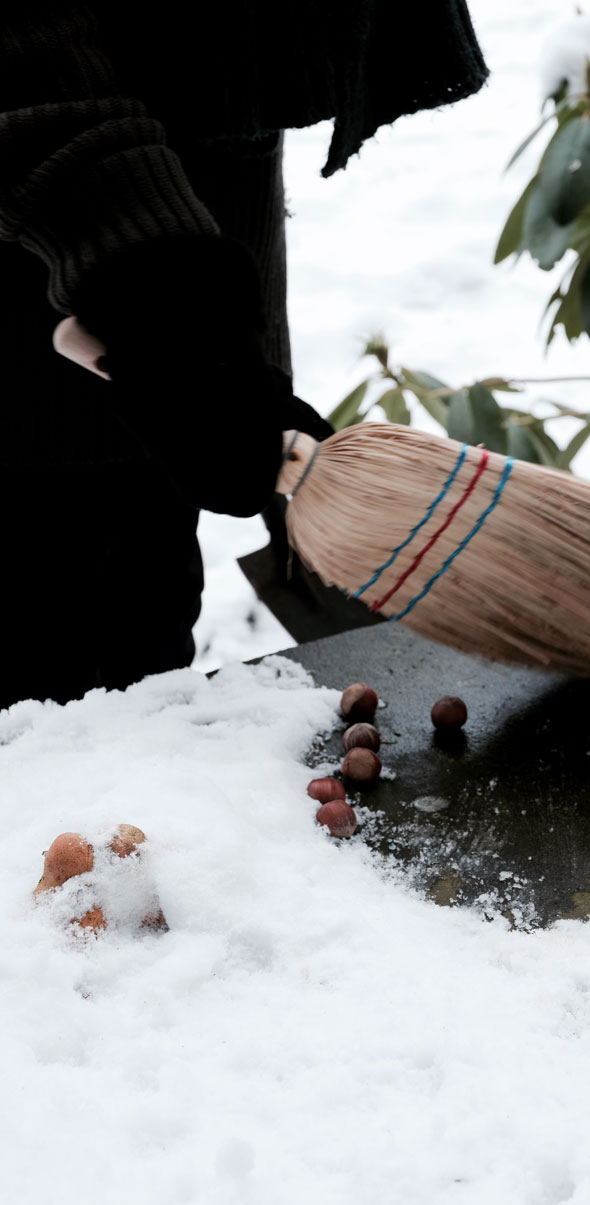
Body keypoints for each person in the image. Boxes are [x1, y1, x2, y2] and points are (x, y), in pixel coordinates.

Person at [0, 2, 489, 709]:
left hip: (183, 301)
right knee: (52, 743)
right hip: (53, 322)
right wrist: (157, 297)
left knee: (127, 720)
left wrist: (216, 341)